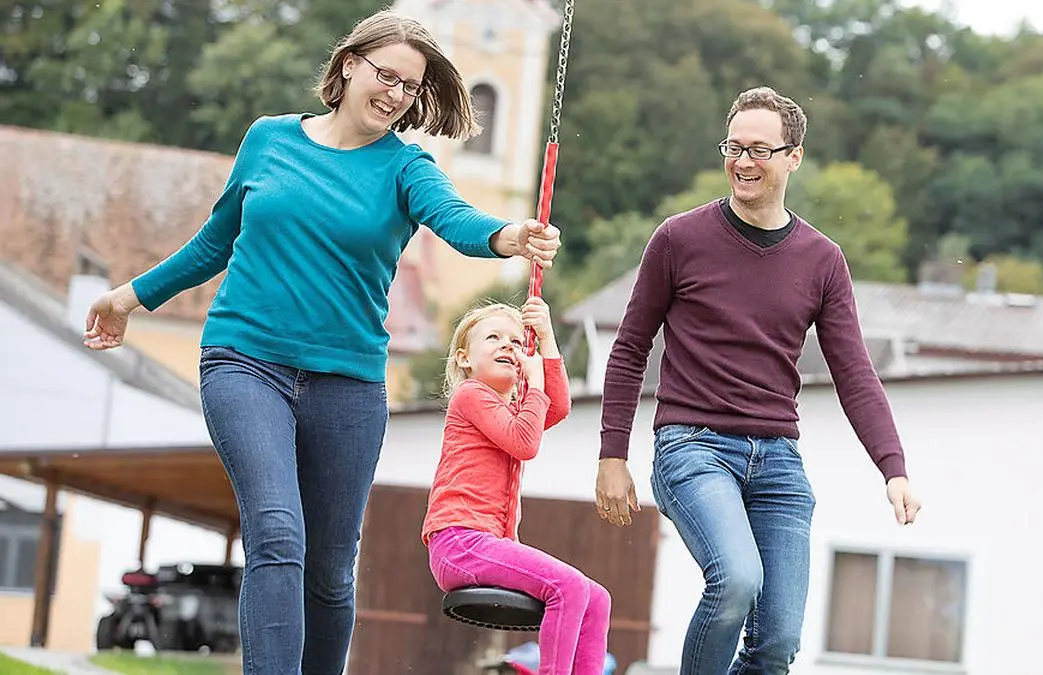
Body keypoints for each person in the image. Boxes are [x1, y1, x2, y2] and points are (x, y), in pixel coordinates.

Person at [81, 10, 561, 675]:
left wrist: (508, 236)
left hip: (348, 384)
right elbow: (216, 241)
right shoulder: (269, 140)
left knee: (331, 571)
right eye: (385, 75)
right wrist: (129, 297)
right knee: (277, 532)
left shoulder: (405, 168)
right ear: (347, 66)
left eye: (410, 87)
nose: (395, 93)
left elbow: (456, 218)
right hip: (246, 361)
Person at [592, 86, 922, 674]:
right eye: (734, 148)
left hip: (778, 463)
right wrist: (611, 455)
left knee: (776, 646)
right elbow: (629, 348)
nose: (744, 162)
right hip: (692, 448)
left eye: (760, 150)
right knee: (737, 580)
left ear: (793, 156)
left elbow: (854, 373)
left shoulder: (823, 259)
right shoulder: (678, 239)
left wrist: (892, 467)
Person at [423, 296, 611, 675]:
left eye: (514, 340)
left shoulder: (509, 411)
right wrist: (536, 379)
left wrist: (546, 338)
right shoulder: (471, 394)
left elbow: (556, 407)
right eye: (493, 338)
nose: (507, 345)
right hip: (459, 542)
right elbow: (525, 443)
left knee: (596, 598)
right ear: (464, 359)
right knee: (569, 588)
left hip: (486, 545)